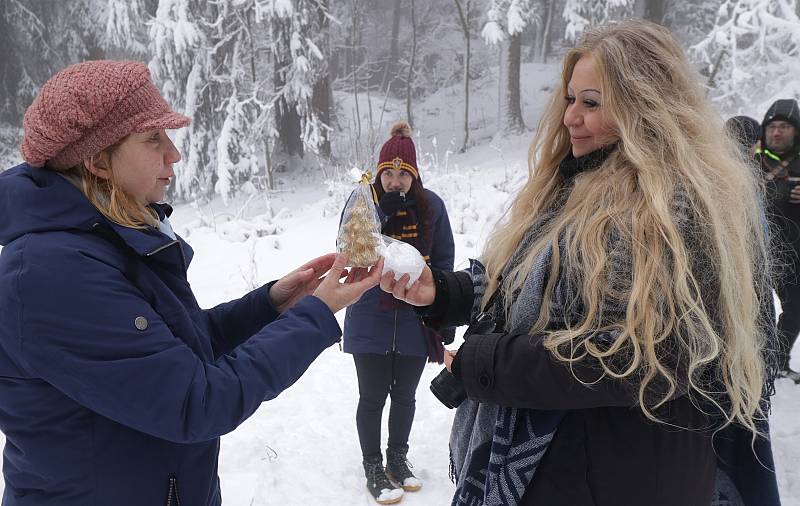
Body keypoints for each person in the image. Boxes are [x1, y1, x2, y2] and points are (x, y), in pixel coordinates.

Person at [381, 20, 780, 506]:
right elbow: (529, 287)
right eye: (571, 99)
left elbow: (649, 357)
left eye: (592, 102)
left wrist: (487, 363)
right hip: (564, 465)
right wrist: (446, 292)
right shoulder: (573, 186)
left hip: (624, 472)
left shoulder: (675, 210)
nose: (571, 117)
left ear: (646, 107)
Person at [0, 60, 382, 506]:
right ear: (98, 159)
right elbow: (195, 402)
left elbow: (172, 351)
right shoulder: (52, 274)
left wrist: (271, 306)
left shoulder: (102, 239)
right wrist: (316, 315)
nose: (174, 154)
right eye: (153, 138)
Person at [341, 122, 455, 504]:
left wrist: (445, 313)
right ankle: (373, 465)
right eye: (387, 173)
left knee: (405, 396)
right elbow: (348, 252)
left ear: (414, 174)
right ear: (378, 171)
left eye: (402, 173)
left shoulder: (431, 206)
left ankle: (398, 459)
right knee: (372, 396)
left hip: (413, 320)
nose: (394, 181)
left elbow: (443, 261)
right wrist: (381, 219)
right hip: (370, 315)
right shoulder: (362, 202)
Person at [757, 98, 800, 382]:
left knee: (795, 308)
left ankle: (776, 362)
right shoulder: (751, 159)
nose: (777, 132)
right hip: (759, 252)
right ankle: (759, 362)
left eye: (784, 126)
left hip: (795, 253)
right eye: (772, 126)